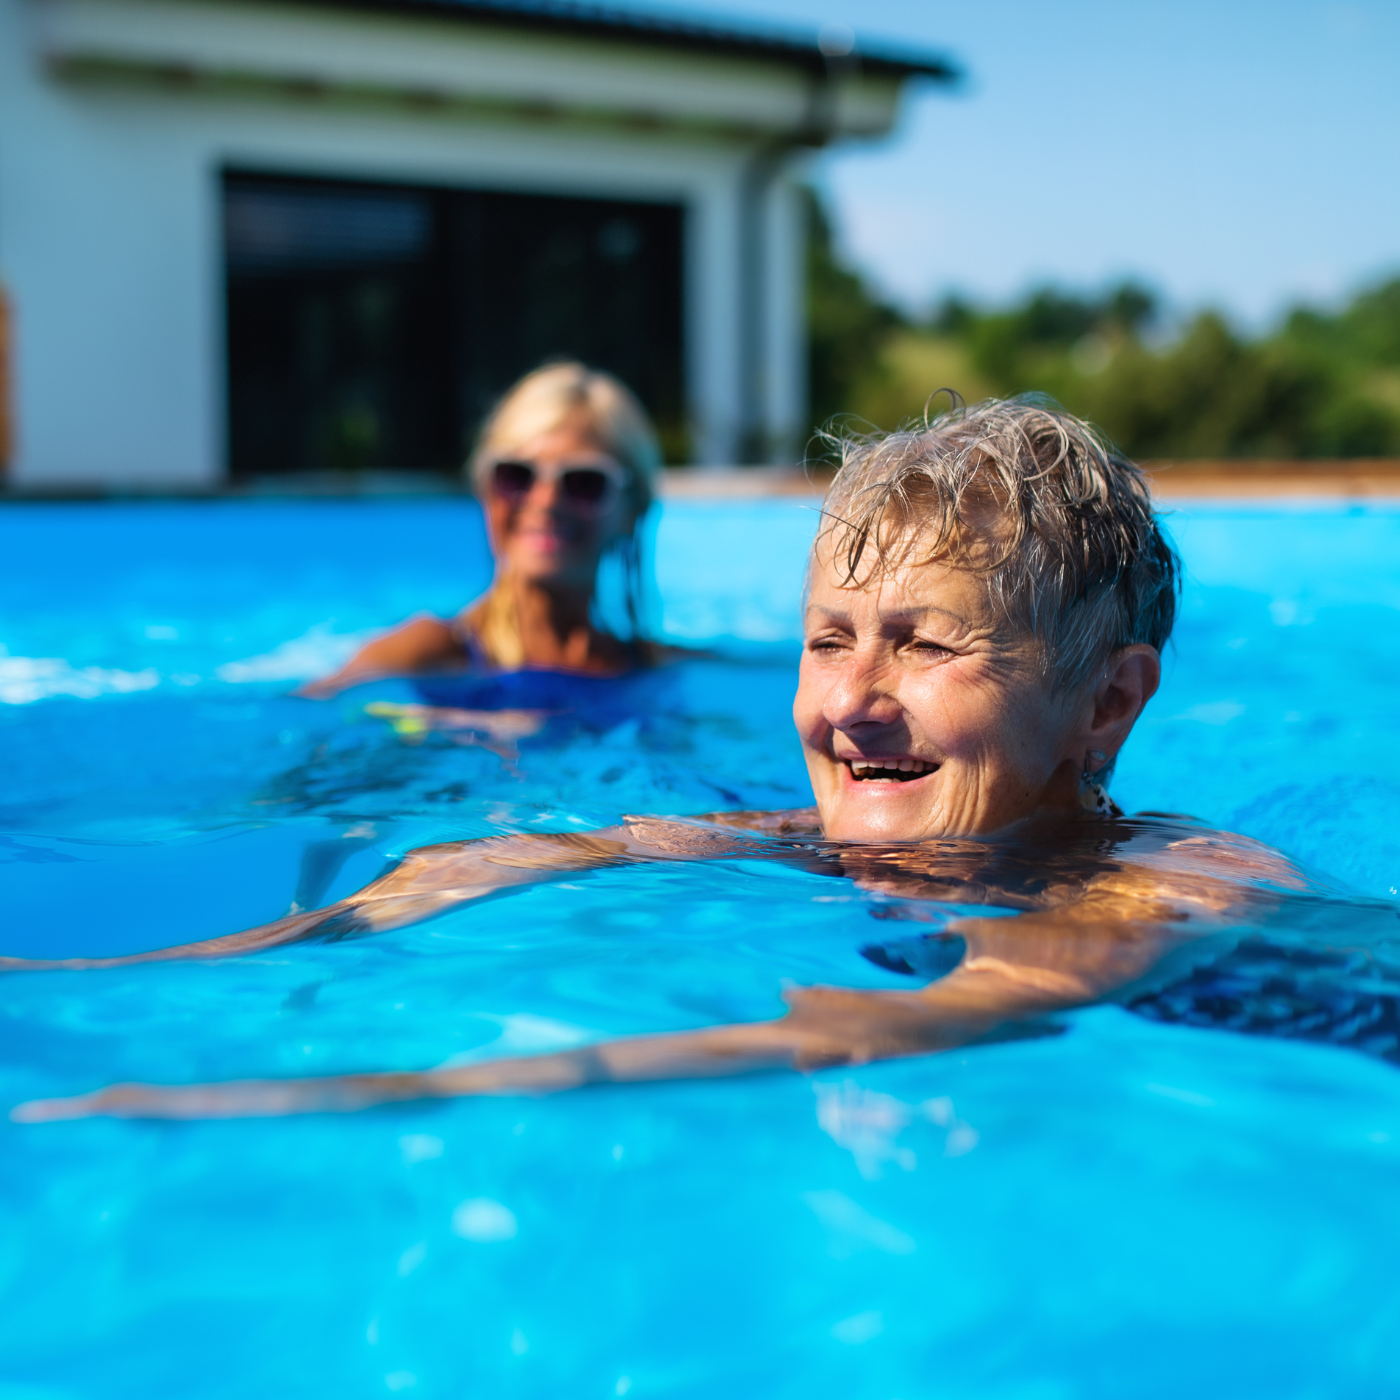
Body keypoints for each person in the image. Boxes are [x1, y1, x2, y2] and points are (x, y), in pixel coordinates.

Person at [11, 398, 1328, 1122]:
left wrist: (315, 1093)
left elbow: (900, 1030)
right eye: (826, 643)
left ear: (1108, 707)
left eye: (923, 646)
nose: (852, 702)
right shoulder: (833, 836)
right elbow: (550, 847)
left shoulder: (1172, 887)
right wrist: (117, 983)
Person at [300, 361, 661, 700]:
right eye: (516, 475)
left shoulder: (655, 668)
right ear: (485, 489)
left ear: (632, 510)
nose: (546, 501)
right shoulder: (426, 654)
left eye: (584, 482)